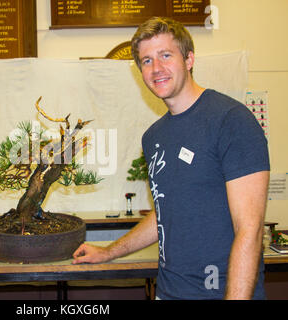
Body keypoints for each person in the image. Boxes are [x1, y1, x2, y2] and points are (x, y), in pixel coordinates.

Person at [72, 17, 270, 300]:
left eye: (166, 55)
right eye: (147, 61)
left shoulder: (231, 121)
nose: (157, 69)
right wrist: (109, 251)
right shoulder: (154, 137)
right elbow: (167, 212)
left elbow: (249, 230)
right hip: (169, 292)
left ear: (189, 59)